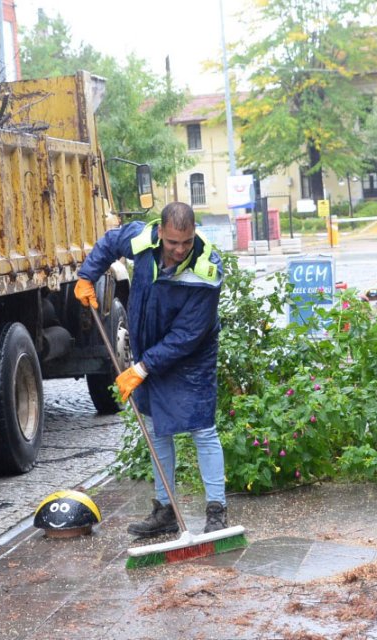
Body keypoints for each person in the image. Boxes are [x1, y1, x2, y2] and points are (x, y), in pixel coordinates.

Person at [74, 202, 228, 536]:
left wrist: (141, 368)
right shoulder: (142, 240)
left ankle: (216, 511)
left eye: (185, 242)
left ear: (193, 234)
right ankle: (165, 510)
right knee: (156, 427)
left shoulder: (205, 269)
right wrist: (88, 274)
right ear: (161, 232)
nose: (179, 249)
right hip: (149, 347)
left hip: (192, 356)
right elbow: (111, 241)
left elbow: (187, 336)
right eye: (173, 242)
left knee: (202, 428)